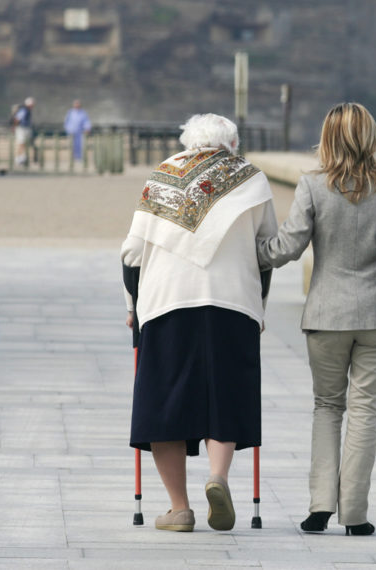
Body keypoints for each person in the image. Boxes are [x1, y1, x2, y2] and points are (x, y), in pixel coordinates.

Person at [257, 102, 376, 536]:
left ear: (328, 138)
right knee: (365, 412)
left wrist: (247, 252)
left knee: (327, 407)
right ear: (371, 137)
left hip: (326, 316)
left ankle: (319, 507)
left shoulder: (313, 186)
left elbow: (285, 249)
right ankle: (355, 514)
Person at [120, 113, 277, 533]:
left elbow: (132, 253)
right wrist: (259, 306)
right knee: (224, 395)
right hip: (233, 302)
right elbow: (265, 252)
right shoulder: (252, 179)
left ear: (189, 144)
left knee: (165, 403)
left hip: (167, 301)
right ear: (232, 143)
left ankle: (179, 509)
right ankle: (217, 477)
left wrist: (133, 306)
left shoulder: (162, 177)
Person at [12, 97, 34, 166]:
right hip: (21, 129)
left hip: (25, 128)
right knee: (21, 143)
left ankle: (22, 158)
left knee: (23, 144)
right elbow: (17, 119)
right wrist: (14, 127)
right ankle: (18, 158)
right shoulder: (24, 110)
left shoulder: (27, 110)